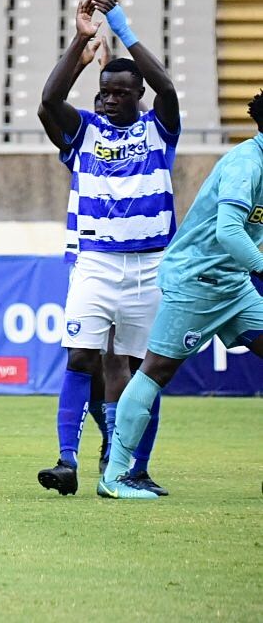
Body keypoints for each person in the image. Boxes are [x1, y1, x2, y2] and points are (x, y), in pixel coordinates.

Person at [38, 0, 179, 497]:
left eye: (122, 92)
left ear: (139, 94)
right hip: (95, 264)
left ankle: (133, 467)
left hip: (151, 266)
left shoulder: (158, 130)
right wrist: (80, 40)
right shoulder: (85, 131)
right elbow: (49, 101)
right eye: (106, 92)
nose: (112, 99)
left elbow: (167, 88)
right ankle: (67, 460)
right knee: (81, 358)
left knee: (144, 372)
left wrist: (121, 27)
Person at [98, 93, 263, 499]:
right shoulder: (247, 164)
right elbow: (229, 231)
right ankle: (114, 477)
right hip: (197, 280)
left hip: (233, 283)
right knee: (156, 371)